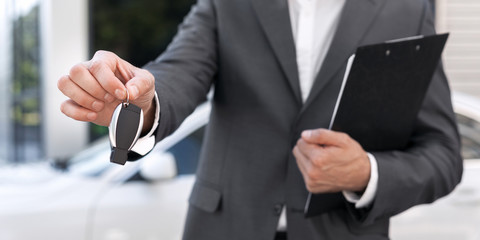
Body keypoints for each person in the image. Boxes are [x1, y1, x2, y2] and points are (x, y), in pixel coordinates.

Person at [57, 0, 463, 239]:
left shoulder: (407, 9)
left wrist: (366, 174)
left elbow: (443, 153)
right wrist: (142, 101)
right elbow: (178, 73)